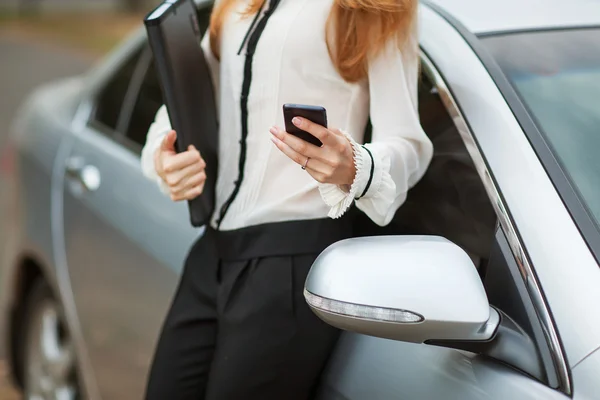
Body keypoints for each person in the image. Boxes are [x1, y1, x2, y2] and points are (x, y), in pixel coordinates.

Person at [140, 0, 433, 399]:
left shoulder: (375, 5)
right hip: (212, 251)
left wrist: (355, 166)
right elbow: (190, 90)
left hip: (293, 263)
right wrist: (164, 153)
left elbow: (409, 144)